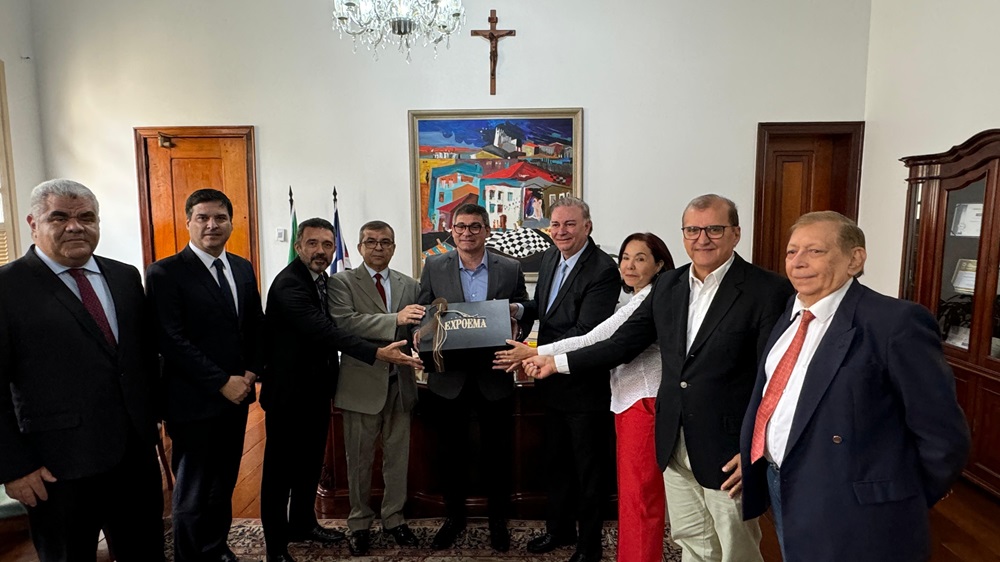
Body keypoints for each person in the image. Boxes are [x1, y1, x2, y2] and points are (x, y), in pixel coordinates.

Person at [523, 194, 792, 562]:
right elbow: (620, 342)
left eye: (714, 229)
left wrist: (754, 448)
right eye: (693, 230)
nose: (703, 239)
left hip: (727, 449)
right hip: (673, 439)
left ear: (735, 234)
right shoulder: (669, 287)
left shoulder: (768, 290)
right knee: (691, 540)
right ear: (683, 235)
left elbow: (772, 378)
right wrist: (555, 363)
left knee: (734, 545)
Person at [739, 211, 970, 562]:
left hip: (857, 509)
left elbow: (942, 434)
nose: (798, 262)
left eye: (814, 251)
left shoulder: (894, 322)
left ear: (855, 258)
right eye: (791, 252)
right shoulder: (792, 310)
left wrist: (900, 498)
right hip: (784, 485)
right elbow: (778, 397)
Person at [0, 179, 165, 562]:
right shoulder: (8, 288)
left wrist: (151, 418)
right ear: (32, 223)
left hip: (134, 459)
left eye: (86, 217)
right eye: (59, 217)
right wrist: (14, 467)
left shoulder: (125, 277)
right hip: (56, 469)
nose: (75, 226)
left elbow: (137, 359)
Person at [503, 232, 674, 562]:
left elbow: (606, 344)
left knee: (640, 498)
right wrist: (539, 352)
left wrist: (545, 357)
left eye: (640, 258)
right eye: (625, 257)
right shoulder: (634, 299)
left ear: (659, 264)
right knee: (631, 495)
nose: (629, 265)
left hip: (644, 404)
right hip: (627, 402)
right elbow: (598, 337)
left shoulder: (651, 300)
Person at [258, 218, 422, 562]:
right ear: (299, 246)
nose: (321, 251)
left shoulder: (327, 281)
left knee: (311, 466)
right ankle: (278, 546)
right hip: (293, 393)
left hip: (331, 389)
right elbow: (335, 327)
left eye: (327, 245)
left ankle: (305, 523)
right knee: (281, 472)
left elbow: (420, 324)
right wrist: (380, 345)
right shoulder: (304, 284)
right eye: (313, 244)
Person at [146, 188, 265, 562]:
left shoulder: (243, 267)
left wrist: (248, 374)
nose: (212, 225)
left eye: (220, 217)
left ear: (232, 222)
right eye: (203, 218)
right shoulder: (165, 272)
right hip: (192, 400)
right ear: (188, 223)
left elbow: (253, 327)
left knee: (223, 483)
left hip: (238, 396)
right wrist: (220, 382)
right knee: (193, 492)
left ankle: (216, 547)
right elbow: (171, 339)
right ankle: (190, 555)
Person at [416, 203, 532, 552]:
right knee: (451, 453)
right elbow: (423, 311)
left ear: (487, 231)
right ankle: (454, 518)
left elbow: (525, 308)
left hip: (494, 374)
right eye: (461, 226)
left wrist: (517, 314)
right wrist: (422, 335)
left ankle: (498, 520)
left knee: (497, 454)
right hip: (448, 379)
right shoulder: (434, 266)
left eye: (475, 226)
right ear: (451, 230)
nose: (467, 232)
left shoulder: (509, 268)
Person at [513, 196, 621, 562]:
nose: (561, 231)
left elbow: (586, 331)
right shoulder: (549, 257)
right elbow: (543, 310)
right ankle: (558, 531)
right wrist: (517, 309)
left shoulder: (604, 270)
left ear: (587, 226)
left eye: (570, 224)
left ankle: (589, 546)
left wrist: (535, 354)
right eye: (555, 225)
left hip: (583, 387)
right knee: (556, 464)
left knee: (587, 472)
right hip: (550, 383)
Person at [327, 220, 424, 556]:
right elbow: (344, 322)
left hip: (402, 385)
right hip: (360, 384)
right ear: (359, 247)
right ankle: (359, 523)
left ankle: (394, 518)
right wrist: (395, 319)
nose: (378, 247)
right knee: (359, 459)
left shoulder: (409, 284)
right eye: (371, 242)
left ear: (394, 247)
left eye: (386, 242)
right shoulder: (340, 283)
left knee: (397, 458)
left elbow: (419, 328)